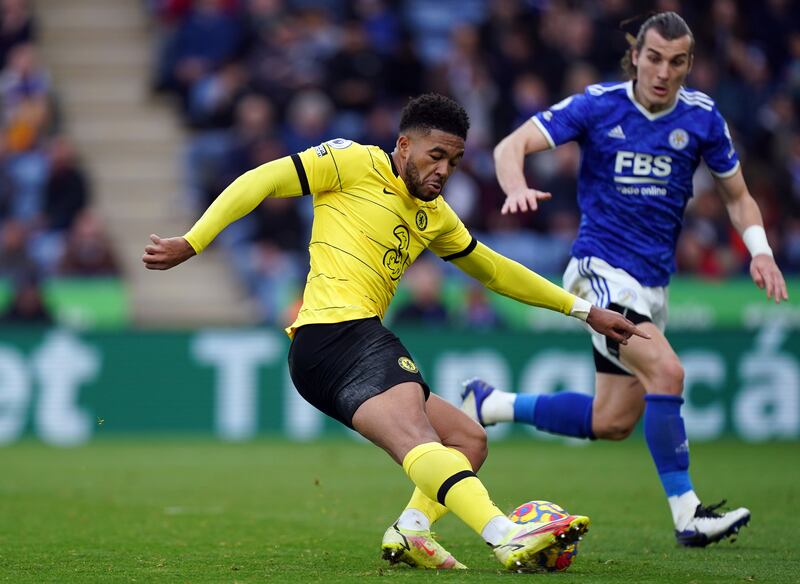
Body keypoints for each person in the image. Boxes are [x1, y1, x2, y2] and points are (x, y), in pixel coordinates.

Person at [142, 93, 645, 571]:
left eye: (454, 159)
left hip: (348, 344)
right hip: (335, 332)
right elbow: (262, 180)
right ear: (404, 145)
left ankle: (412, 531)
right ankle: (503, 532)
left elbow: (494, 270)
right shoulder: (351, 162)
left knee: (467, 439)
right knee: (419, 439)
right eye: (435, 155)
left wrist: (583, 310)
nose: (444, 169)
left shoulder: (435, 215)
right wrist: (195, 240)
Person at [460, 12, 789, 549]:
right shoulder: (598, 104)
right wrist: (515, 186)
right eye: (654, 57)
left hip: (652, 286)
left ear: (688, 64)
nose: (663, 71)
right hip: (599, 272)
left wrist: (761, 251)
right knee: (669, 371)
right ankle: (689, 515)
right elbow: (508, 147)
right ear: (635, 55)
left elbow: (738, 195)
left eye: (677, 61)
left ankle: (490, 405)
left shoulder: (703, 117)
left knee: (612, 420)